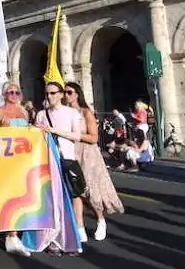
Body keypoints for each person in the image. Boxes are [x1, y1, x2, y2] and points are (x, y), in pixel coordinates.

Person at [63, 82, 123, 241]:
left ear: (77, 94)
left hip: (87, 153)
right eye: (64, 92)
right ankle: (80, 227)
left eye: (69, 92)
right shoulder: (63, 113)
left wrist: (73, 135)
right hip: (70, 152)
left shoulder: (86, 112)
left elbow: (94, 137)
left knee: (90, 190)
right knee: (76, 190)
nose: (66, 95)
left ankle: (100, 220)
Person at [33, 82, 86, 249]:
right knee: (52, 199)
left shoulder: (72, 113)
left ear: (62, 94)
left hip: (66, 158)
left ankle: (75, 232)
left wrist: (54, 131)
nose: (50, 96)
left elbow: (77, 136)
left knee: (71, 196)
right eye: (47, 93)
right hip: (47, 160)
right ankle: (53, 238)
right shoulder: (41, 114)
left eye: (53, 93)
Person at [0, 84, 32, 257]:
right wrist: (2, 130)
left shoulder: (24, 113)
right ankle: (11, 236)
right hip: (4, 160)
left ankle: (15, 234)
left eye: (17, 92)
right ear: (3, 94)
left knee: (22, 196)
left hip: (22, 160)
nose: (14, 95)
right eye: (10, 92)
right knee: (9, 197)